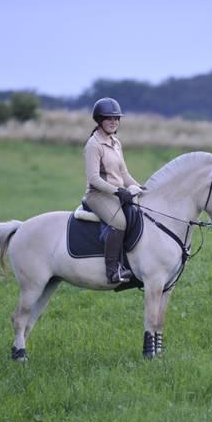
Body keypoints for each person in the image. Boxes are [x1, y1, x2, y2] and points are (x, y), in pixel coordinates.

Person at [82, 97, 143, 283]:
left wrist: (141, 188)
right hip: (98, 195)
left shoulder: (116, 142)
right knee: (119, 222)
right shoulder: (93, 145)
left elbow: (124, 174)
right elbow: (94, 179)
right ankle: (112, 270)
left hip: (116, 193)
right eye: (109, 118)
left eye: (117, 119)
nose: (113, 122)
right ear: (99, 120)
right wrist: (118, 191)